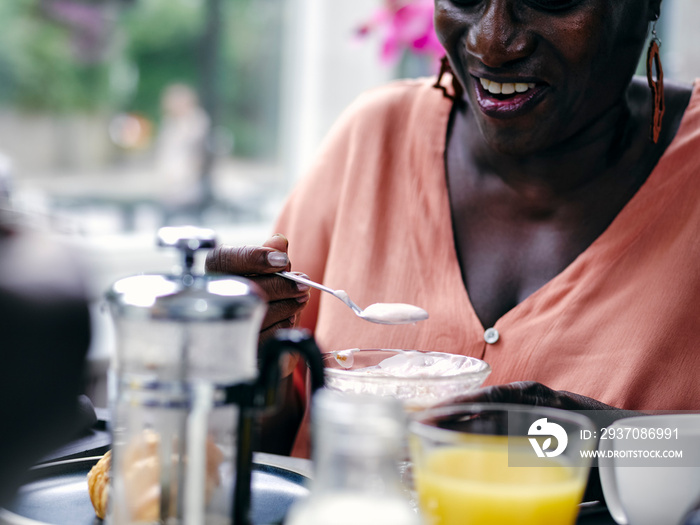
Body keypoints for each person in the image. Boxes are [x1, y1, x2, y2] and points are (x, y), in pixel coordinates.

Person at [205, 0, 700, 458]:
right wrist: (247, 370)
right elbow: (268, 457)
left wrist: (610, 447)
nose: (490, 41)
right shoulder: (374, 140)